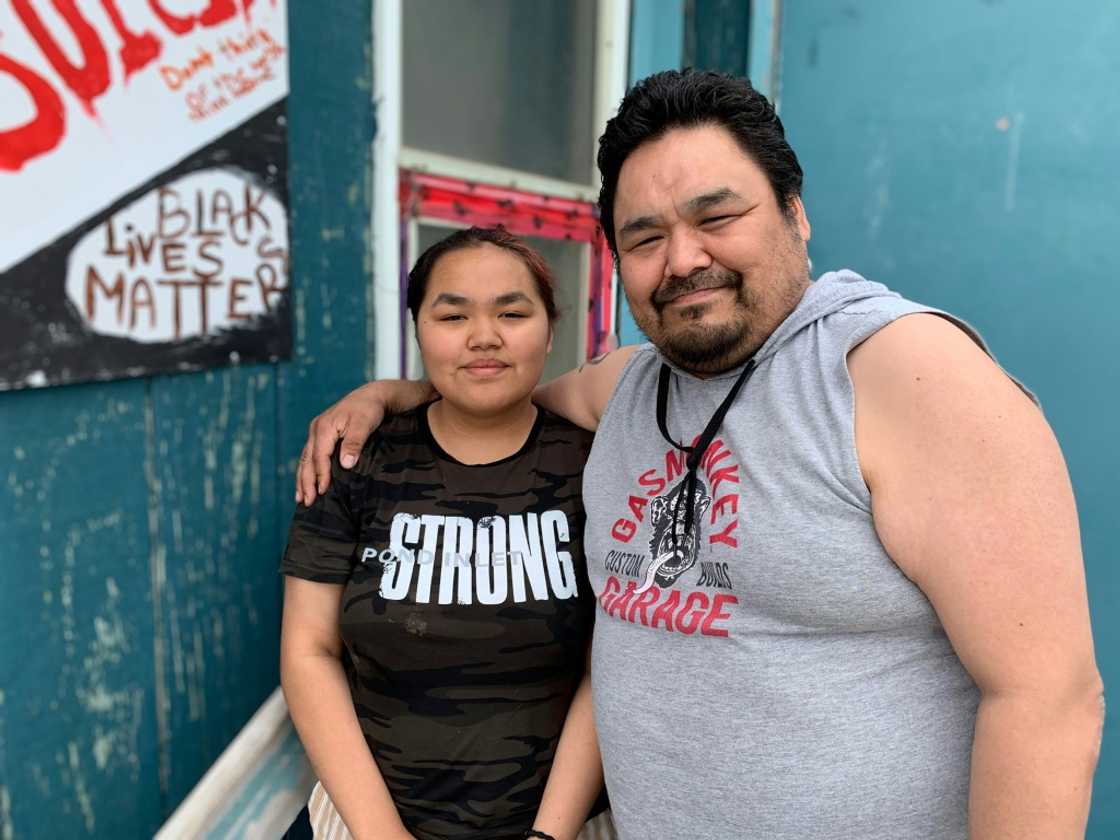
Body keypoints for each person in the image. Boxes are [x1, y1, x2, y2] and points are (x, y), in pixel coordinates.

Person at [295, 71, 1104, 839]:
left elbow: (1048, 696)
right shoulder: (628, 388)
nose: (683, 259)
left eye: (716, 218)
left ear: (795, 211)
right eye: (645, 236)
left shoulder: (899, 372)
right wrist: (389, 398)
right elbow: (498, 394)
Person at [281, 226, 609, 840]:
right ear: (418, 330)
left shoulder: (597, 466)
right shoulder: (352, 457)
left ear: (550, 328)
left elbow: (607, 668)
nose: (484, 336)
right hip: (365, 819)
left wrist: (547, 837)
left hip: (561, 824)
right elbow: (309, 652)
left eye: (512, 312)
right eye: (452, 314)